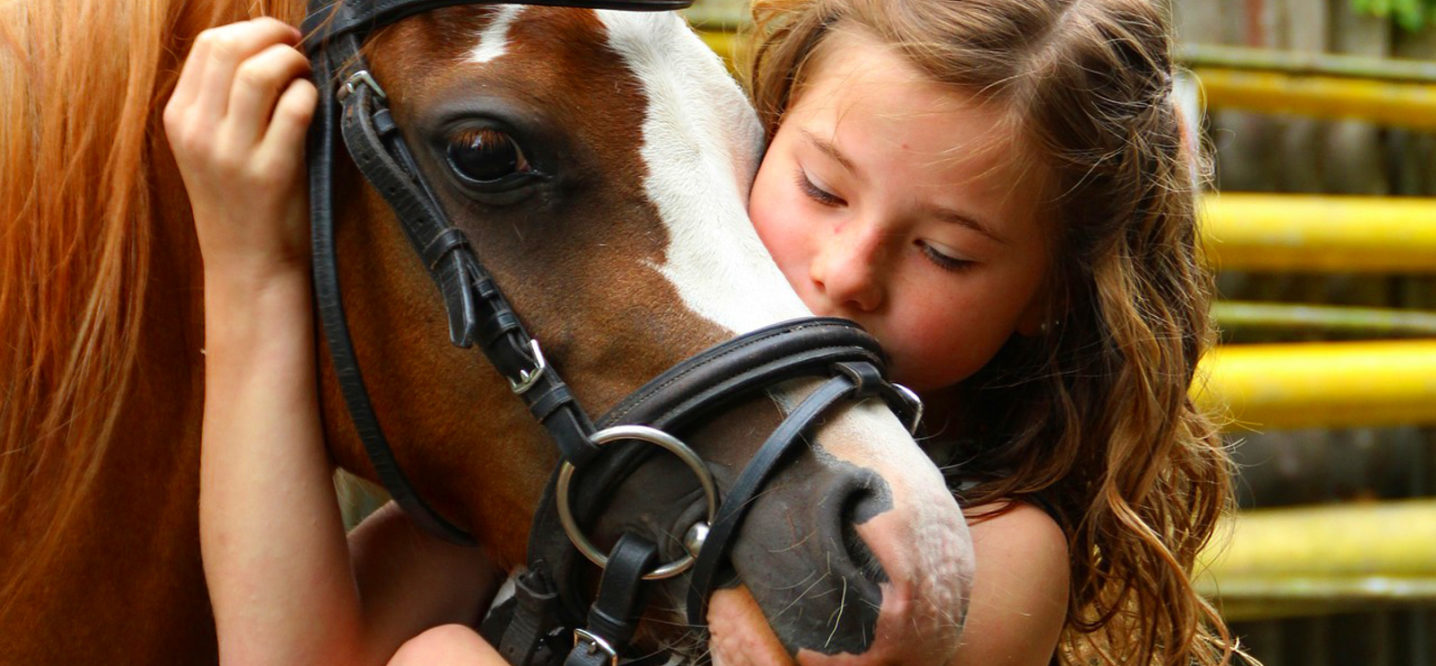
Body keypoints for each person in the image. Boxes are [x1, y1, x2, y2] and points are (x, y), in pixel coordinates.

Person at [165, 0, 1243, 664]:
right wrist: (251, 271)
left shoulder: (1003, 545)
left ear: (1050, 291)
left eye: (945, 253)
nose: (844, 269)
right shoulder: (595, 440)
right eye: (820, 187)